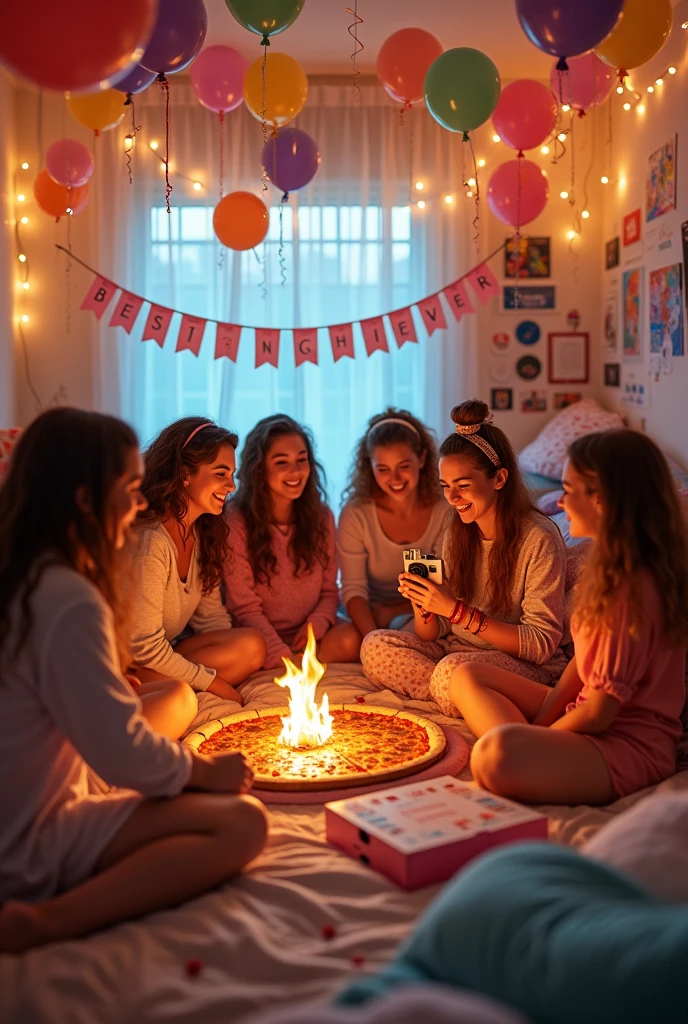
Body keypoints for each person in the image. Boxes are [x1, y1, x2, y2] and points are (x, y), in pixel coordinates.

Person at [0, 408, 267, 954]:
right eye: (128, 487)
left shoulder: (29, 579)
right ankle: (49, 921)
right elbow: (121, 753)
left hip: (26, 817)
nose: (139, 502)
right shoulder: (66, 597)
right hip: (27, 843)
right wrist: (203, 772)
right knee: (243, 823)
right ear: (83, 499)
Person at [457, 429, 688, 806]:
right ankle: (532, 750)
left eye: (569, 490)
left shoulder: (631, 590)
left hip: (627, 746)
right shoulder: (609, 567)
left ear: (602, 500)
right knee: (466, 672)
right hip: (588, 714)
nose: (560, 502)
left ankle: (529, 753)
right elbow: (583, 664)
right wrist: (542, 727)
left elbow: (598, 713)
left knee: (495, 755)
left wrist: (540, 738)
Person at [360, 399, 568, 708]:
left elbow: (540, 644)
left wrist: (457, 612)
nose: (452, 497)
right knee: (375, 645)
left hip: (523, 663)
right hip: (457, 650)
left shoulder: (538, 538)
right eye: (445, 486)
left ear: (499, 478)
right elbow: (434, 632)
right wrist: (426, 606)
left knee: (451, 671)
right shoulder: (457, 528)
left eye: (463, 485)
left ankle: (461, 691)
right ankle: (462, 695)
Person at [130, 418, 266, 706]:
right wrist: (216, 683)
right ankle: (151, 687)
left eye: (232, 474)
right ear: (184, 474)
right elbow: (144, 647)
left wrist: (232, 665)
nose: (231, 485)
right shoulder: (152, 541)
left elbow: (211, 619)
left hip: (163, 653)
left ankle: (177, 681)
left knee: (252, 646)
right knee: (201, 681)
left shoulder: (202, 533)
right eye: (220, 473)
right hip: (130, 662)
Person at [224, 414, 360, 670]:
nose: (295, 471)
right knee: (249, 647)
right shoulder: (236, 519)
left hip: (306, 634)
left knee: (352, 639)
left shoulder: (322, 517)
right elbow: (243, 608)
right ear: (259, 468)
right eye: (281, 462)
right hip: (256, 635)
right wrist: (282, 656)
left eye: (301, 460)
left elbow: (330, 592)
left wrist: (317, 624)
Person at [338, 409, 448, 650]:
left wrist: (394, 611)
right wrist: (373, 639)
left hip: (427, 609)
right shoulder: (357, 513)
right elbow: (353, 588)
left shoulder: (443, 509)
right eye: (383, 469)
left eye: (403, 466)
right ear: (370, 467)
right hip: (370, 612)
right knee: (341, 643)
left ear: (422, 459)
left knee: (424, 637)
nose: (395, 478)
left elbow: (441, 585)